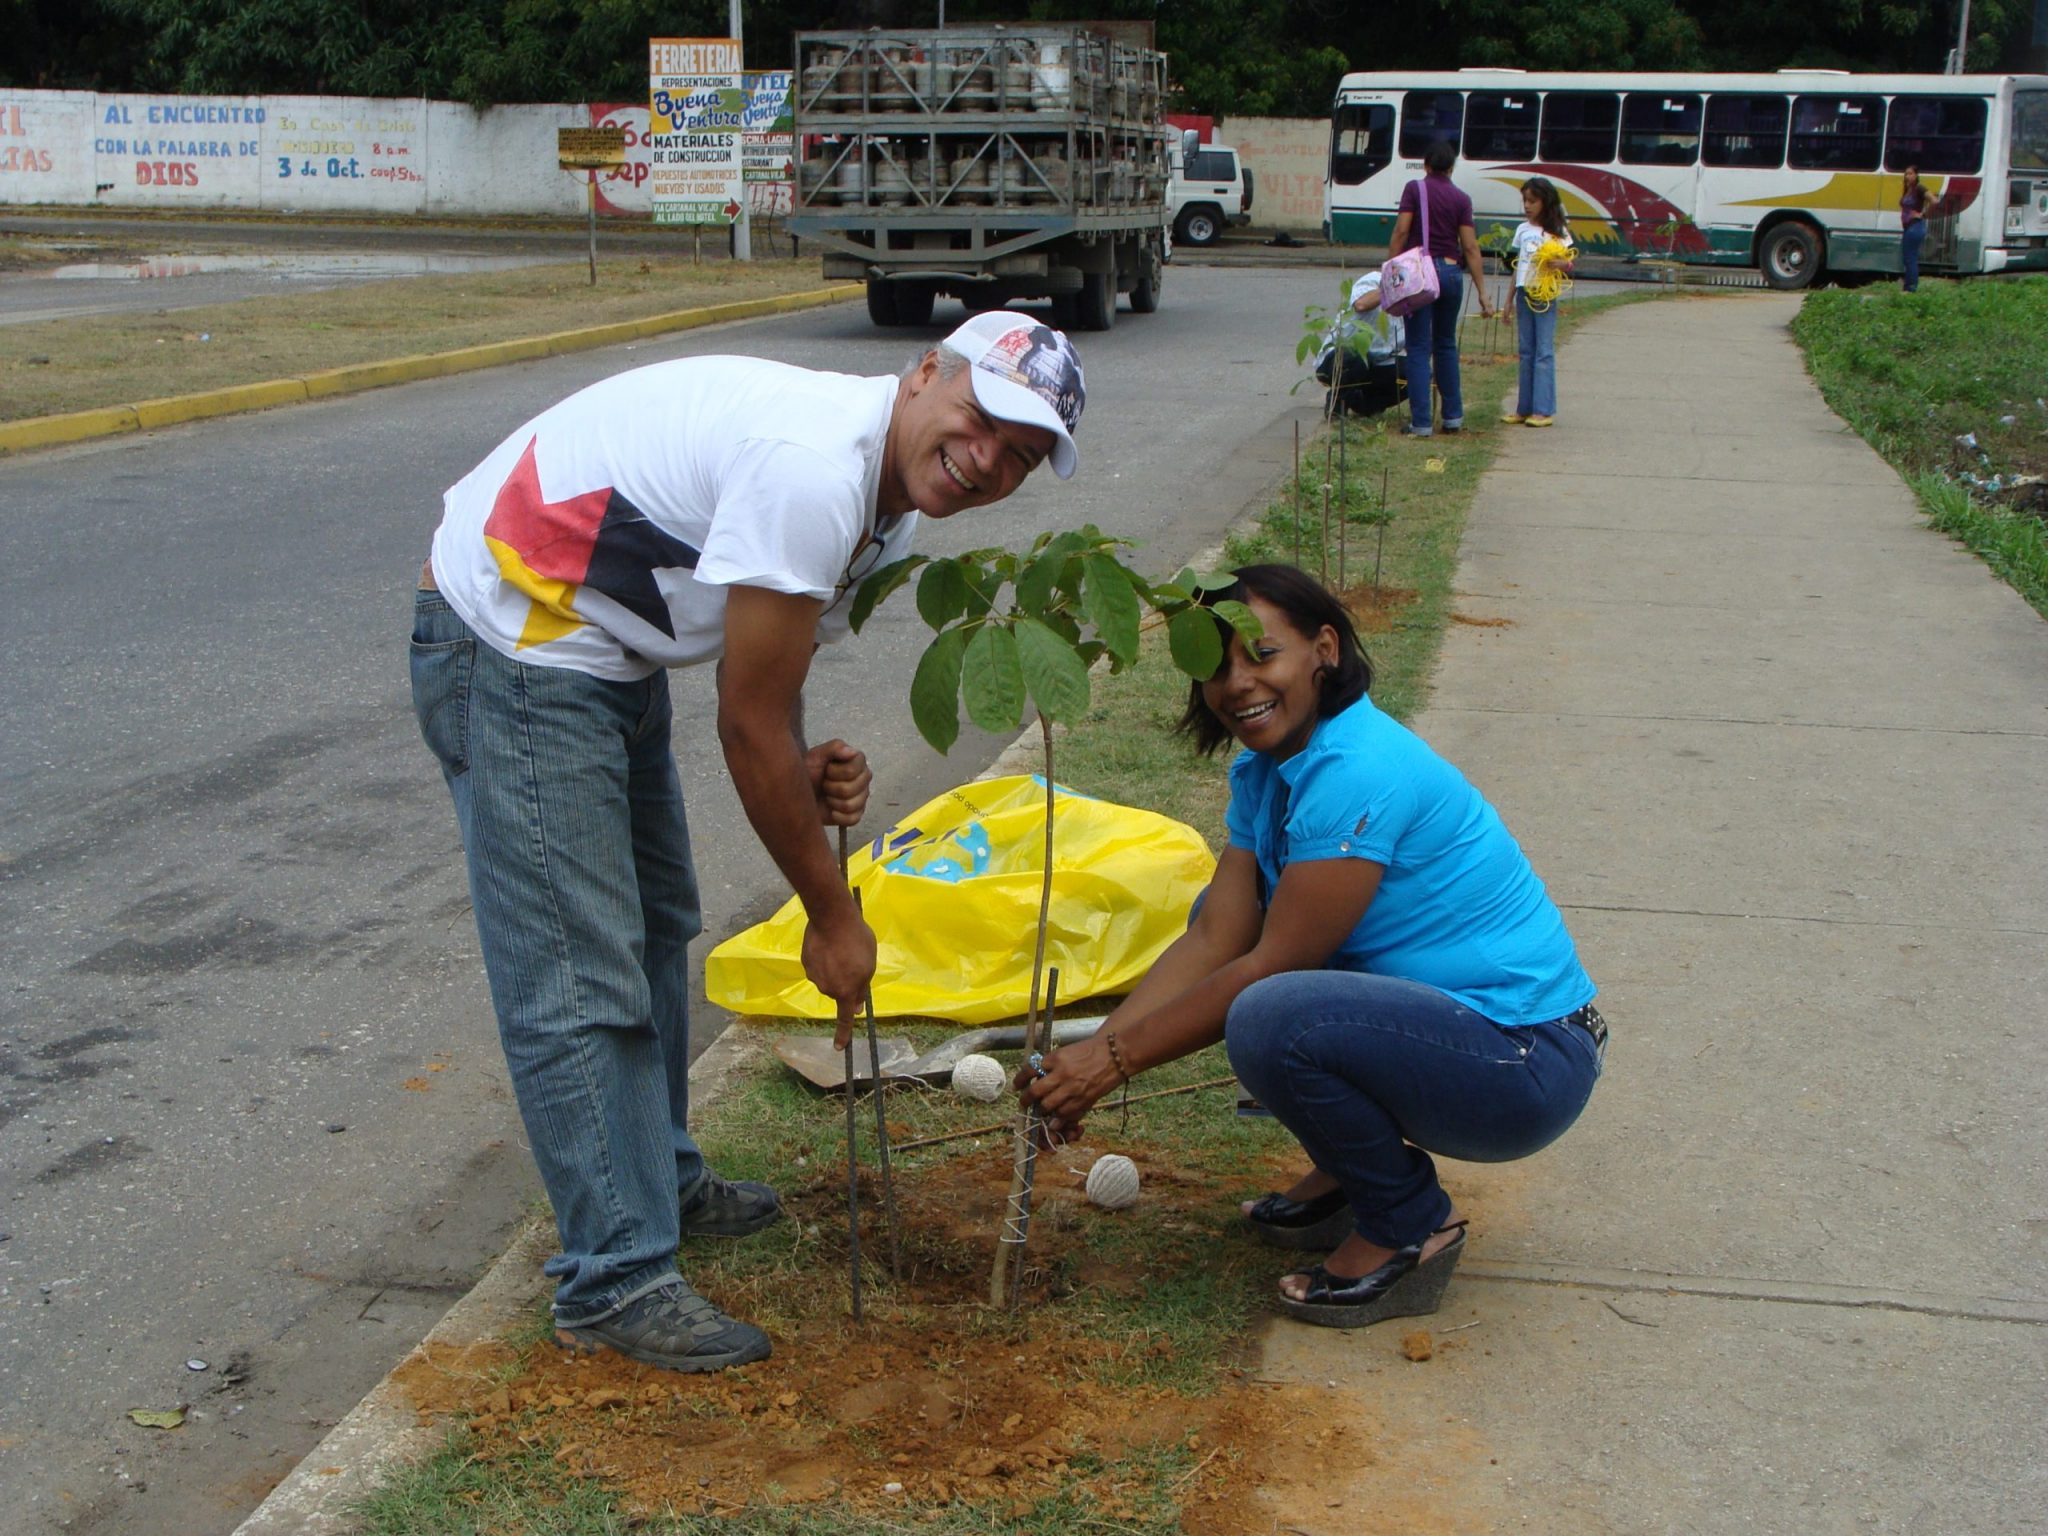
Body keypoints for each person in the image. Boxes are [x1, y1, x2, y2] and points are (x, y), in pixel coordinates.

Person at [412, 311, 1085, 1372]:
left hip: (598, 646)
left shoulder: (884, 506)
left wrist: (807, 764)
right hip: (516, 633)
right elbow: (743, 725)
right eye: (980, 417)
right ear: (923, 375)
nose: (987, 458)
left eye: (1021, 454)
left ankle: (657, 1177)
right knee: (579, 967)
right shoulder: (816, 467)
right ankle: (614, 1277)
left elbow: (770, 691)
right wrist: (831, 910)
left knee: (655, 923)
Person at [1022, 565, 1603, 1329]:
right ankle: (1350, 1175)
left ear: (1324, 649)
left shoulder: (1358, 768)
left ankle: (1408, 1223)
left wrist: (1115, 1063)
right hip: (1468, 1039)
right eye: (1213, 668)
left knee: (1272, 1012)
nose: (1236, 685)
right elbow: (1216, 934)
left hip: (1524, 1061)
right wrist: (1094, 1052)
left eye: (1262, 655)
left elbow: (1274, 963)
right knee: (1271, 986)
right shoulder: (1265, 770)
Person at [1388, 140, 1493, 438]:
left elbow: (1402, 231)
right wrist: (1483, 293)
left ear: (1426, 165)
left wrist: (1389, 271)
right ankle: (1453, 417)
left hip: (1421, 276)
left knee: (1419, 347)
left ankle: (1421, 423)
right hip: (1450, 273)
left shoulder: (1414, 189)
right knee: (1445, 344)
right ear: (1451, 168)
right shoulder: (1462, 198)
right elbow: (1470, 247)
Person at [1501, 177, 1575, 428]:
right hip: (1524, 293)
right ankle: (1524, 407)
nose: (1527, 206)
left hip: (1544, 295)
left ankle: (1543, 409)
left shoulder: (1558, 232)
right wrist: (1508, 300)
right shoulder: (1522, 230)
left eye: (1532, 201)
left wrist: (1563, 264)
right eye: (1525, 201)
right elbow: (1517, 267)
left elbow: (1569, 262)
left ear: (1545, 201)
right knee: (1525, 351)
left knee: (1543, 351)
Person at [1313, 270, 1405, 419]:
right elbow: (1361, 304)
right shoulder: (1375, 279)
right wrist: (1394, 286)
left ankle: (1366, 405)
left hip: (1377, 363)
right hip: (1340, 357)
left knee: (1415, 373)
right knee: (1357, 358)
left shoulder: (1414, 306)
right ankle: (1336, 408)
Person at [1899, 166, 1930, 293]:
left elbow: (1934, 200)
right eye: (1906, 174)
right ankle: (1908, 286)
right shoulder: (1908, 189)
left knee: (1910, 257)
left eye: (1911, 174)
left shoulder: (1919, 188)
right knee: (1907, 257)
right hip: (1908, 227)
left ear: (1916, 175)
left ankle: (1911, 287)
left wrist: (1923, 214)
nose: (1908, 176)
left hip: (1915, 226)